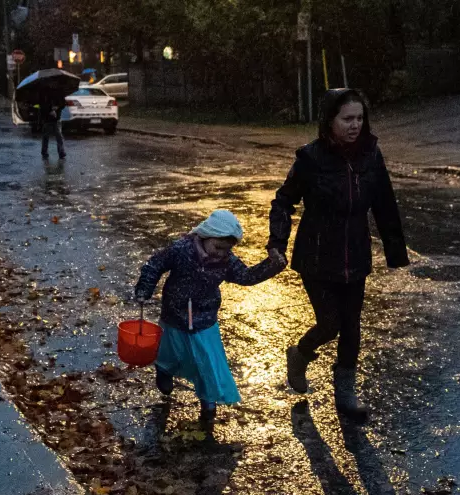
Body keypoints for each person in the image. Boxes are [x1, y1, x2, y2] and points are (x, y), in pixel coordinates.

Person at [267, 88, 410, 422]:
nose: (354, 125)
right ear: (329, 121)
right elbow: (282, 201)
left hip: (356, 254)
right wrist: (277, 243)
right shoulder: (310, 159)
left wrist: (395, 254)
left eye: (360, 118)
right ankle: (300, 354)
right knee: (330, 323)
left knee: (352, 327)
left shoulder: (371, 155)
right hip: (317, 256)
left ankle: (345, 395)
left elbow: (385, 205)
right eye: (347, 118)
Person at [135, 210, 287, 426]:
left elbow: (246, 276)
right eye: (218, 247)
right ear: (205, 236)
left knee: (207, 360)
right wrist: (144, 290)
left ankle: (208, 400)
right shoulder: (181, 249)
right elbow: (155, 265)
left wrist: (272, 264)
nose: (221, 254)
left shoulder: (226, 260)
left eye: (227, 250)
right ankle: (164, 370)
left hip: (205, 317)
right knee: (172, 350)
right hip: (174, 313)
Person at [39, 96, 66, 160]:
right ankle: (44, 152)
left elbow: (63, 104)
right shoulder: (44, 93)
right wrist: (50, 110)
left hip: (56, 119)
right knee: (46, 136)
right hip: (47, 119)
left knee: (59, 136)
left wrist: (57, 107)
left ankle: (61, 152)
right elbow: (41, 105)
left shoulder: (59, 92)